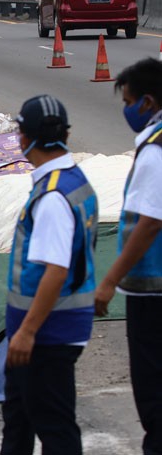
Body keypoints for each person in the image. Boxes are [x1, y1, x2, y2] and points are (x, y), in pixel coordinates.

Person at [1, 95, 98, 455]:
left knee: (54, 427)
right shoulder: (73, 180)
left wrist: (27, 332)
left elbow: (55, 272)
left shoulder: (54, 195)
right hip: (48, 332)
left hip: (45, 335)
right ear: (66, 135)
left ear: (25, 139)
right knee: (20, 421)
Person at [95, 58, 162, 455]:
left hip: (152, 290)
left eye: (129, 102)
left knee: (153, 391)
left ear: (148, 102)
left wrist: (108, 281)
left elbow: (150, 223)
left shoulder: (154, 153)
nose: (126, 111)